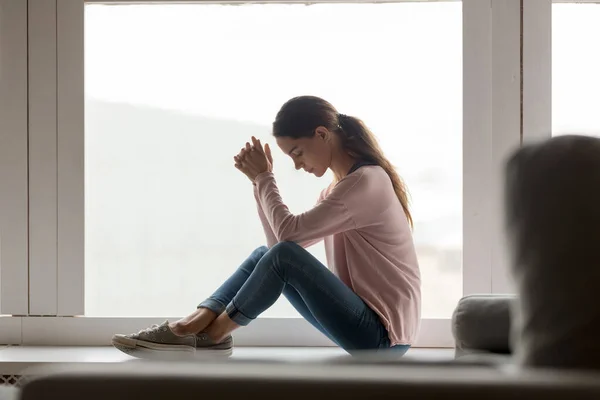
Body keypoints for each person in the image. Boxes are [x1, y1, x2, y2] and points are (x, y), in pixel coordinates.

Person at [112, 96, 421, 358]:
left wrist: (265, 178)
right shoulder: (337, 190)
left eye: (298, 152)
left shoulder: (366, 182)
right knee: (266, 254)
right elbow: (278, 249)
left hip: (383, 339)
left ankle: (208, 335)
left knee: (280, 256)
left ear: (322, 134)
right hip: (366, 330)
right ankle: (197, 324)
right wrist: (257, 183)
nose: (298, 165)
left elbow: (288, 241)